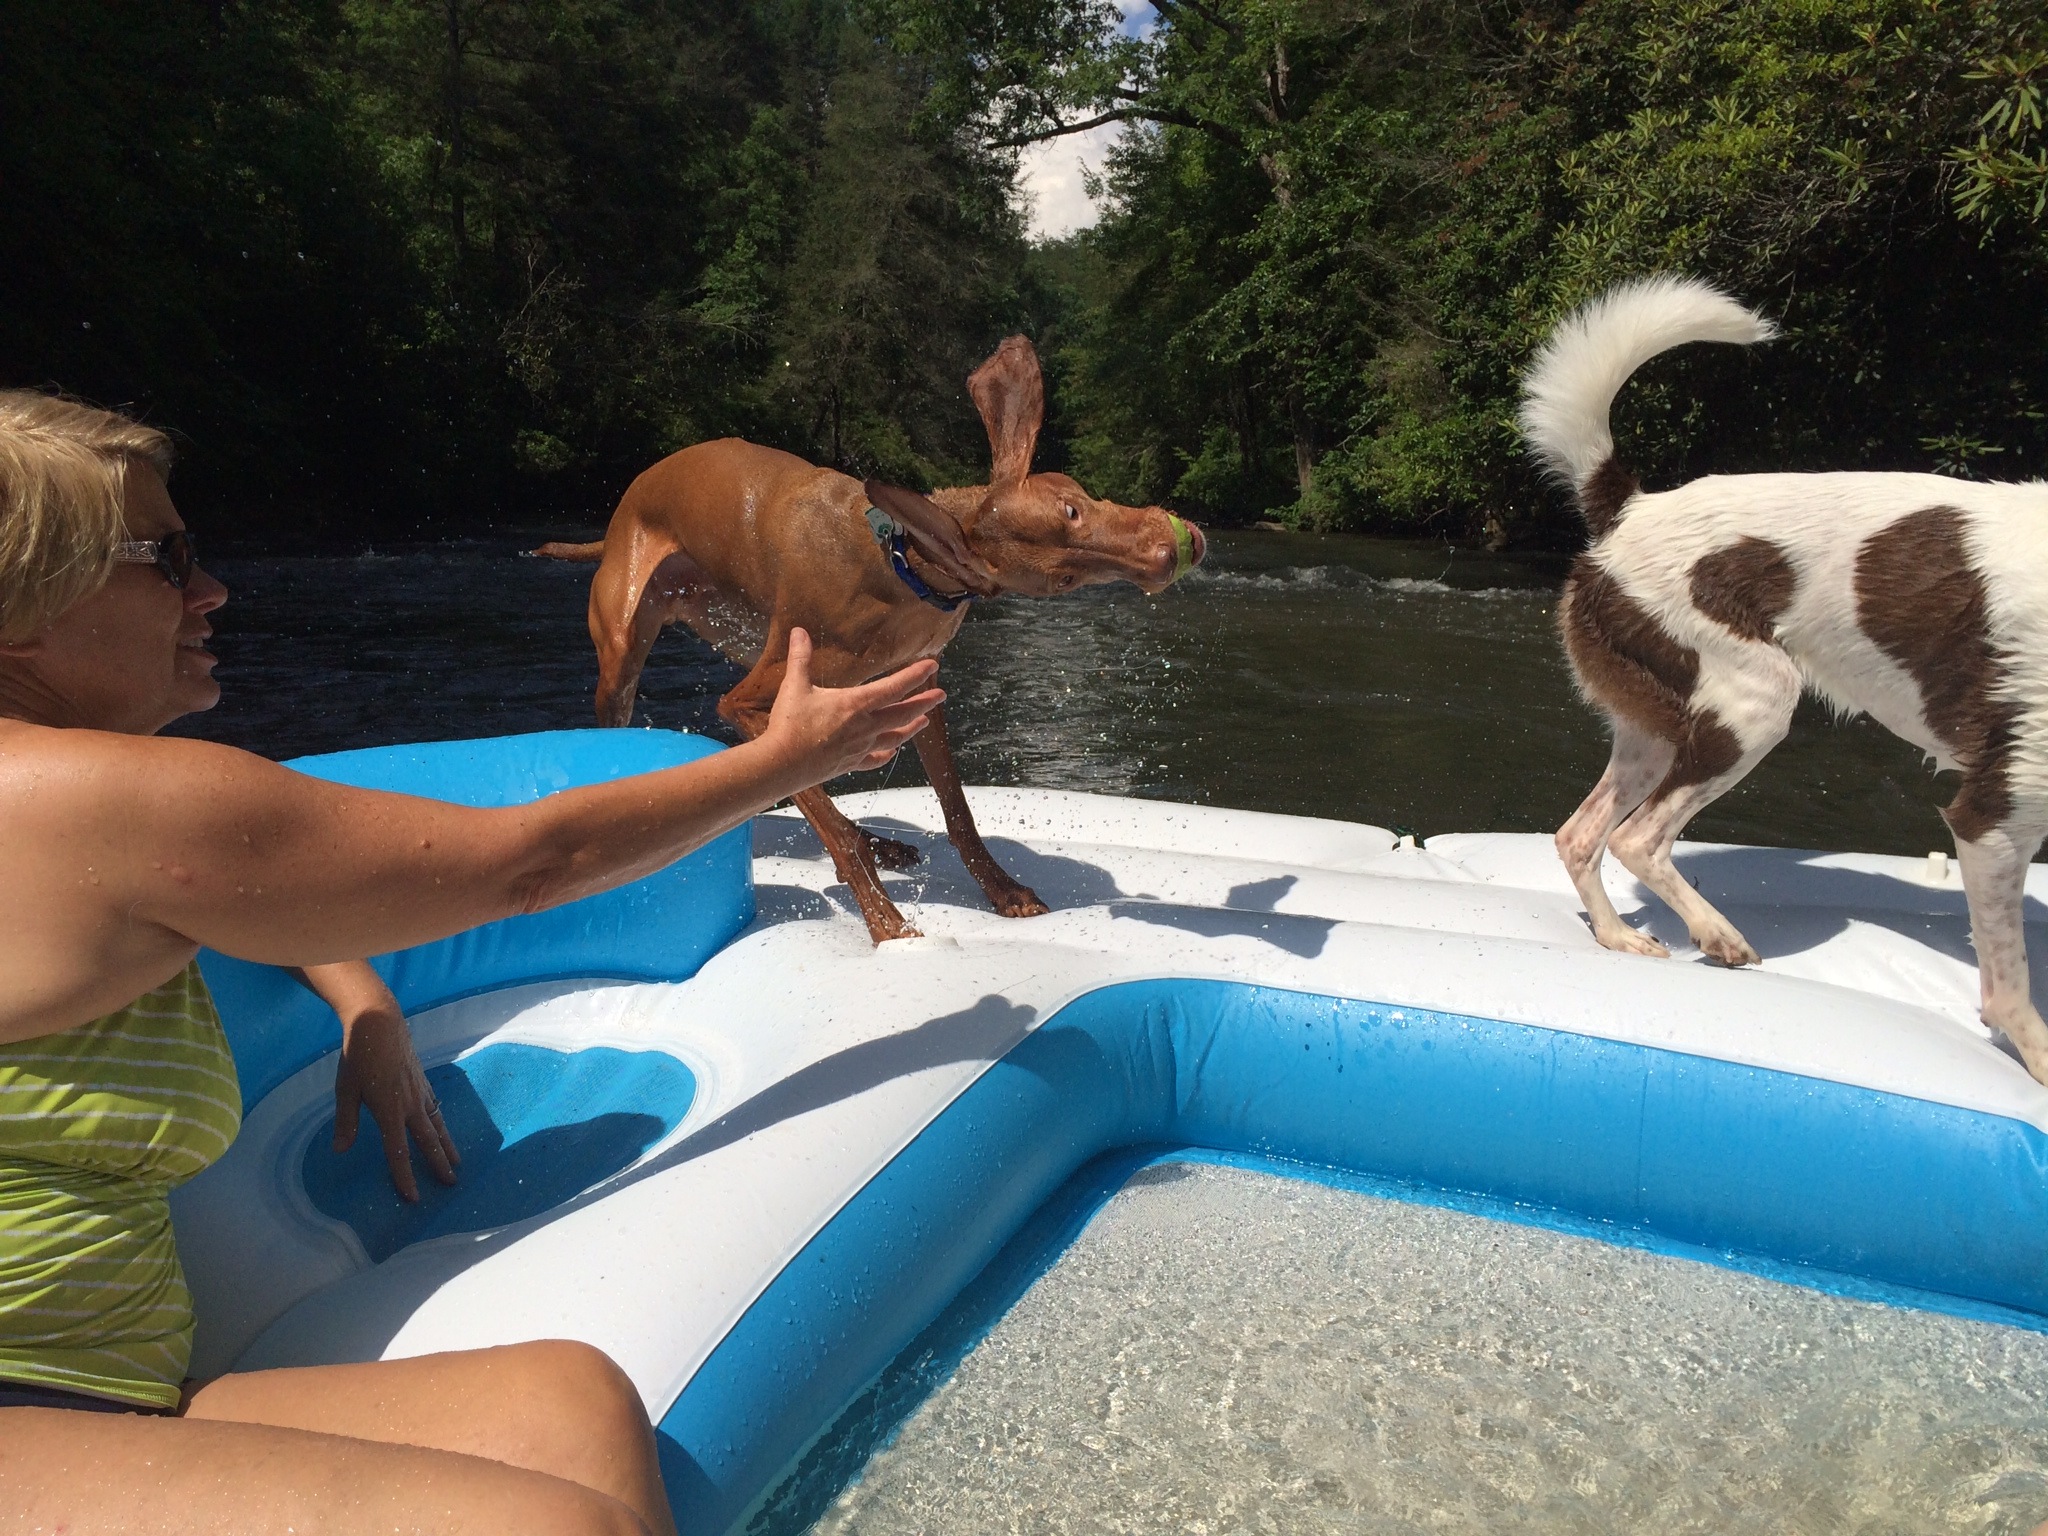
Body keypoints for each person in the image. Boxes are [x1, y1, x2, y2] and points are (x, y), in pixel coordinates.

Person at [0, 390, 942, 1534]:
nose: (212, 591)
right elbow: (528, 864)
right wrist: (790, 756)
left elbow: (264, 889)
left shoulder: (84, 808)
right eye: (169, 559)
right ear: (23, 609)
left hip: (106, 1398)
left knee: (575, 1410)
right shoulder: (92, 801)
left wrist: (363, 1000)